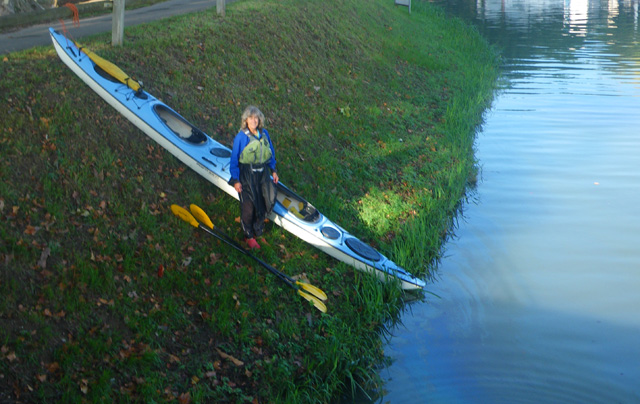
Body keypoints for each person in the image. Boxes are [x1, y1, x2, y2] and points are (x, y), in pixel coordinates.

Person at [228, 106, 279, 249]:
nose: (254, 121)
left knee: (263, 203)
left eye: (256, 118)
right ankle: (248, 235)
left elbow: (270, 153)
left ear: (260, 120)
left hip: (262, 174)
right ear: (246, 120)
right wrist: (236, 180)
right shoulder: (241, 137)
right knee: (248, 206)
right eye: (250, 118)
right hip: (247, 174)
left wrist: (273, 170)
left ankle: (258, 232)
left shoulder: (264, 134)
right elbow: (234, 160)